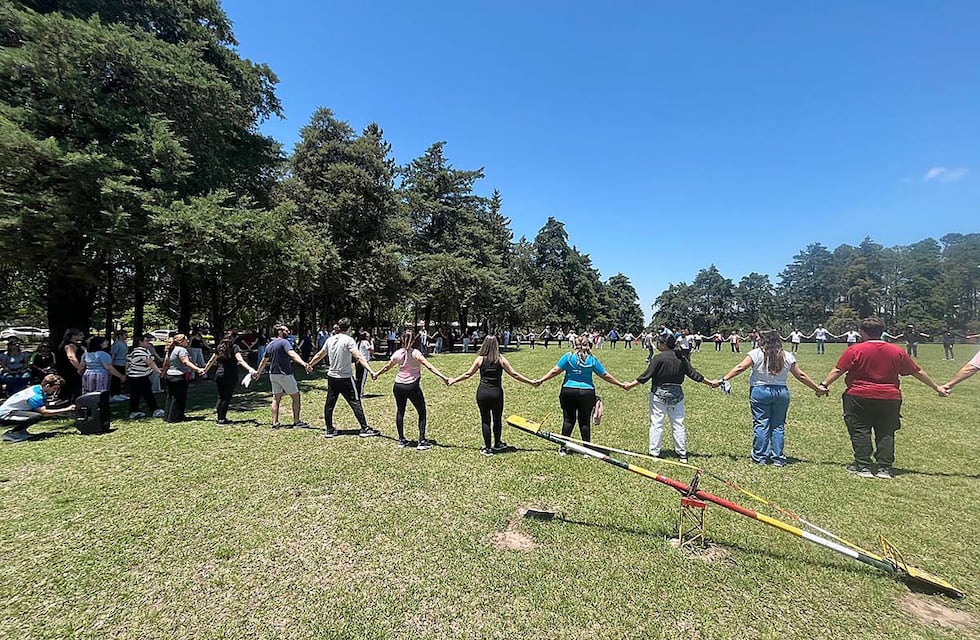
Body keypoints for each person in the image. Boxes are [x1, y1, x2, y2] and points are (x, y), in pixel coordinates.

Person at [817, 317, 948, 479]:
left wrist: (823, 385)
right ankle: (884, 468)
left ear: (862, 332)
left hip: (859, 396)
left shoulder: (855, 350)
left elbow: (838, 370)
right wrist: (937, 387)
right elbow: (917, 371)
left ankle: (863, 465)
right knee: (886, 431)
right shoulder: (897, 351)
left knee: (860, 430)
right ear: (881, 332)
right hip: (889, 397)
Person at [718, 330, 824, 467]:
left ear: (764, 340)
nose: (757, 340)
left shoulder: (756, 353)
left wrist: (724, 379)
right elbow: (801, 375)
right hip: (781, 393)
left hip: (760, 391)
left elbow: (740, 368)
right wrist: (817, 388)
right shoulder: (787, 356)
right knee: (778, 425)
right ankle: (778, 458)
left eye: (759, 338)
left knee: (761, 423)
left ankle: (760, 456)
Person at [624, 333, 718, 462]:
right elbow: (694, 374)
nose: (657, 344)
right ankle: (682, 454)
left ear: (663, 344)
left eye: (658, 342)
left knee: (657, 423)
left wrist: (630, 385)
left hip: (658, 394)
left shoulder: (658, 358)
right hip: (677, 395)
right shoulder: (681, 357)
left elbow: (645, 376)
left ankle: (654, 453)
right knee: (678, 424)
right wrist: (710, 383)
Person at [533, 336, 628, 454]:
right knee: (584, 421)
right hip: (587, 393)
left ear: (574, 344)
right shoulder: (592, 359)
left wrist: (541, 380)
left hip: (568, 391)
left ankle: (563, 448)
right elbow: (605, 375)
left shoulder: (568, 356)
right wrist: (620, 384)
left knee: (568, 420)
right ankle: (587, 450)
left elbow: (555, 370)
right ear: (588, 345)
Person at [448, 335, 538, 455]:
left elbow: (467, 374)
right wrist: (531, 382)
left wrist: (454, 380)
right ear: (496, 345)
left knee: (485, 420)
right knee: (497, 419)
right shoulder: (501, 359)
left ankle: (487, 448)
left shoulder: (480, 359)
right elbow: (515, 374)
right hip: (497, 394)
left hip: (483, 393)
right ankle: (497, 443)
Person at [372, 330, 449, 450]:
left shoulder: (397, 353)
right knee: (422, 411)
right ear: (413, 341)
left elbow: (387, 367)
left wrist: (377, 373)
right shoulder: (416, 353)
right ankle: (422, 441)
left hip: (398, 386)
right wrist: (443, 377)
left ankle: (401, 440)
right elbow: (429, 366)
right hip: (412, 386)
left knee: (400, 411)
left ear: (401, 340)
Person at [310, 317, 379, 438]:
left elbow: (320, 354)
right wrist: (371, 370)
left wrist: (310, 364)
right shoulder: (349, 340)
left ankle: (329, 429)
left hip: (332, 377)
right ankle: (364, 428)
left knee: (329, 403)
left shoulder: (330, 340)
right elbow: (358, 356)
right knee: (355, 401)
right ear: (349, 328)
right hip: (345, 377)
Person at [253, 324, 312, 429]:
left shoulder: (270, 344)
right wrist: (304, 364)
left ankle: (275, 423)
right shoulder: (285, 342)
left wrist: (258, 372)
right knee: (296, 397)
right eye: (285, 330)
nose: (288, 331)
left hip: (273, 375)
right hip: (284, 374)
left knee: (276, 398)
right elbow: (292, 354)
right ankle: (297, 421)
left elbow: (263, 361)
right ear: (279, 331)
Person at [1, 375, 75, 443]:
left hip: (13, 411)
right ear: (47, 386)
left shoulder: (36, 388)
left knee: (35, 414)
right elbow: (45, 412)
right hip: (5, 415)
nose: (54, 391)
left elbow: (43, 404)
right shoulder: (35, 396)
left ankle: (21, 431)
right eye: (54, 388)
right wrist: (66, 409)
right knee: (36, 416)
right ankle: (12, 434)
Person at [206, 330, 256, 425]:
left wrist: (205, 370)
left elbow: (211, 361)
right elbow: (240, 361)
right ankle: (222, 420)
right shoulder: (234, 347)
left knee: (221, 396)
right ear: (234, 338)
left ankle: (220, 417)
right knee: (226, 397)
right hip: (230, 375)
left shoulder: (220, 347)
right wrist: (250, 369)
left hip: (219, 374)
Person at [163, 334, 208, 423]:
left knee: (170, 397)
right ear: (181, 341)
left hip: (170, 376)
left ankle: (168, 416)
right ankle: (176, 418)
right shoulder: (182, 350)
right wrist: (198, 369)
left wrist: (162, 374)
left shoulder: (171, 349)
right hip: (179, 376)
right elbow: (185, 362)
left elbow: (166, 363)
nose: (188, 341)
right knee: (179, 397)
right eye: (186, 340)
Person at [126, 333, 164, 419]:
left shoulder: (134, 350)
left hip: (133, 376)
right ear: (140, 342)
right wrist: (159, 372)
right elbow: (150, 362)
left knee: (135, 395)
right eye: (146, 341)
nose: (148, 343)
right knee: (148, 393)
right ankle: (155, 410)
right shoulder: (141, 351)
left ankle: (134, 411)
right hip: (139, 376)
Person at [55, 328, 85, 402]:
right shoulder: (70, 345)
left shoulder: (76, 345)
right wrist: (79, 368)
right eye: (80, 335)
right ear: (74, 336)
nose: (83, 336)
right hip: (70, 370)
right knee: (72, 386)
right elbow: (71, 357)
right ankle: (69, 401)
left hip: (69, 370)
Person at [109, 329, 129, 401]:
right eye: (125, 335)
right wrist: (111, 364)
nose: (126, 337)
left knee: (122, 379)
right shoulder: (116, 344)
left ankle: (119, 393)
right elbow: (113, 354)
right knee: (116, 379)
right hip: (117, 364)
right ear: (120, 336)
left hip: (123, 363)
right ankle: (114, 394)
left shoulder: (124, 343)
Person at [355, 331, 374, 398]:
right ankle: (360, 393)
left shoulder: (358, 342)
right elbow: (372, 350)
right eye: (368, 336)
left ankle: (356, 392)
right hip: (364, 362)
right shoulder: (365, 342)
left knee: (358, 378)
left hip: (358, 361)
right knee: (362, 378)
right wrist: (372, 342)